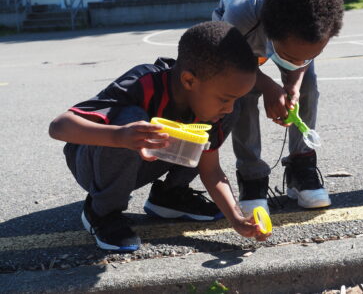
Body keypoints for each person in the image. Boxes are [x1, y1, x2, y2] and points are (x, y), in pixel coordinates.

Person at [49, 21, 268, 251]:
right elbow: (59, 127)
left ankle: (169, 196)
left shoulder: (213, 102)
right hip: (93, 163)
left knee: (215, 121)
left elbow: (211, 170)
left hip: (144, 162)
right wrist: (120, 136)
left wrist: (237, 219)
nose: (229, 107)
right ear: (189, 81)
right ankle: (101, 211)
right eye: (225, 98)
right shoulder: (143, 84)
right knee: (132, 117)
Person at [212, 0, 344, 214]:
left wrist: (293, 84)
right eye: (291, 57)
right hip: (238, 37)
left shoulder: (318, 18)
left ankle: (301, 168)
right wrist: (269, 87)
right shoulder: (241, 16)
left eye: (311, 53)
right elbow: (234, 62)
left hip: (287, 27)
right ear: (271, 39)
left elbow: (303, 57)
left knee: (308, 86)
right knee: (242, 94)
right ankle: (251, 177)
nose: (299, 60)